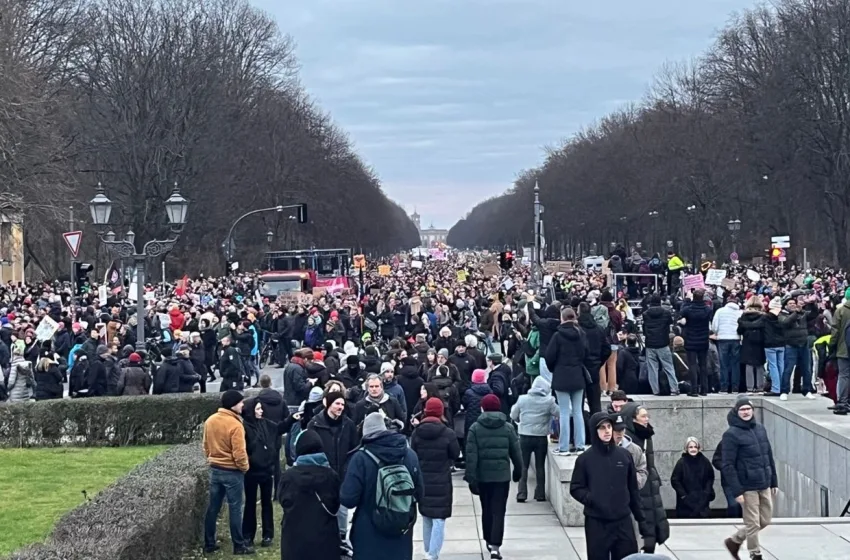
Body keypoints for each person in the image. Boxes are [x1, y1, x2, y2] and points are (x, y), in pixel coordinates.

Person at [340, 412, 424, 560]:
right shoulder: (409, 454)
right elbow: (420, 493)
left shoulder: (361, 458)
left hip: (368, 535)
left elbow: (348, 499)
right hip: (401, 532)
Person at [570, 412, 649, 560]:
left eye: (609, 427)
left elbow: (633, 490)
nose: (607, 431)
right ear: (594, 430)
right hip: (597, 522)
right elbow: (575, 488)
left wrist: (641, 519)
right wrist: (592, 498)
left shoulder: (624, 456)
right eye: (602, 428)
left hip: (623, 521)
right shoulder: (585, 459)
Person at [464, 394, 522, 560]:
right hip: (502, 476)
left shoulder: (475, 428)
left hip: (483, 476)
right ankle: (496, 545)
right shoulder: (508, 427)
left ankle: (489, 540)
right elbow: (516, 453)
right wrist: (518, 472)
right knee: (499, 511)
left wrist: (471, 477)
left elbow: (471, 455)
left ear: (482, 408)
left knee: (486, 509)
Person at [721, 397, 778, 560]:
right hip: (747, 485)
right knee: (753, 522)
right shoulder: (731, 434)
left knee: (765, 520)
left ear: (753, 410)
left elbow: (768, 455)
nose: (746, 412)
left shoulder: (760, 429)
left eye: (748, 409)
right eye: (742, 409)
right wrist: (737, 490)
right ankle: (755, 553)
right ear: (736, 412)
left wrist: (774, 480)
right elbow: (727, 465)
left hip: (764, 481)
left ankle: (735, 540)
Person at [278, 429, 342, 560]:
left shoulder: (288, 477)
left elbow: (283, 501)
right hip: (325, 539)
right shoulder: (331, 475)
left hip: (295, 541)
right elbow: (336, 505)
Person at [202, 390, 253, 555]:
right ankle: (239, 545)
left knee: (213, 508)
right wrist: (244, 468)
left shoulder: (210, 420)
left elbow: (205, 445)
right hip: (232, 472)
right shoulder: (236, 425)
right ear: (233, 405)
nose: (243, 405)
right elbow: (239, 453)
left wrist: (212, 458)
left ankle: (209, 543)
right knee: (235, 508)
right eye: (240, 402)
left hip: (215, 469)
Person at [307, 390, 359, 550]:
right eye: (337, 403)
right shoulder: (315, 424)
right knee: (324, 510)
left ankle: (342, 538)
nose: (340, 407)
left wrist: (348, 468)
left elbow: (354, 448)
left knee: (342, 510)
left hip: (342, 474)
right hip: (322, 475)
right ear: (328, 404)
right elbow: (309, 450)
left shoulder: (348, 424)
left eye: (342, 404)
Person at [410, 397, 461, 560]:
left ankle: (428, 551)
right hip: (441, 480)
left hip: (423, 480)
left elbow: (413, 454)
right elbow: (455, 454)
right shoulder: (448, 433)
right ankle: (433, 554)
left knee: (426, 517)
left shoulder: (417, 432)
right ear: (440, 412)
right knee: (439, 519)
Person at [620, 403, 669, 553]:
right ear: (632, 419)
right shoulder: (628, 440)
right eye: (643, 416)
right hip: (637, 486)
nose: (646, 419)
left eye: (647, 416)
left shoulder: (647, 435)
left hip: (650, 484)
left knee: (653, 521)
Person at [544, 307, 588, 455]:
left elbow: (549, 357)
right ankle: (580, 445)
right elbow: (585, 354)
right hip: (577, 375)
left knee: (563, 412)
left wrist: (554, 369)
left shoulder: (557, 336)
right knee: (578, 411)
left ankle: (563, 447)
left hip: (561, 375)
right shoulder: (581, 334)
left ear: (562, 318)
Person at [510, 376, 558, 502]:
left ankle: (522, 493)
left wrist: (520, 421)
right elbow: (560, 413)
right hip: (541, 438)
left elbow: (513, 415)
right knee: (540, 466)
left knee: (523, 465)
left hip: (524, 436)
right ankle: (540, 494)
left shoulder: (522, 399)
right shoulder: (549, 401)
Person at [242, 399, 276, 548]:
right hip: (252, 471)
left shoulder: (264, 423)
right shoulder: (245, 427)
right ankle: (248, 535)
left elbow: (278, 429)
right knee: (250, 503)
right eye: (258, 409)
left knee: (267, 503)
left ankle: (268, 534)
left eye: (261, 408)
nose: (261, 411)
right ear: (251, 411)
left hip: (266, 469)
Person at [671, 436, 715, 519]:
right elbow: (675, 480)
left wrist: (706, 492)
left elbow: (710, 477)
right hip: (685, 503)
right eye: (690, 447)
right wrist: (683, 495)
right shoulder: (681, 462)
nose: (693, 449)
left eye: (695, 447)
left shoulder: (705, 461)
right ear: (686, 448)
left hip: (702, 501)